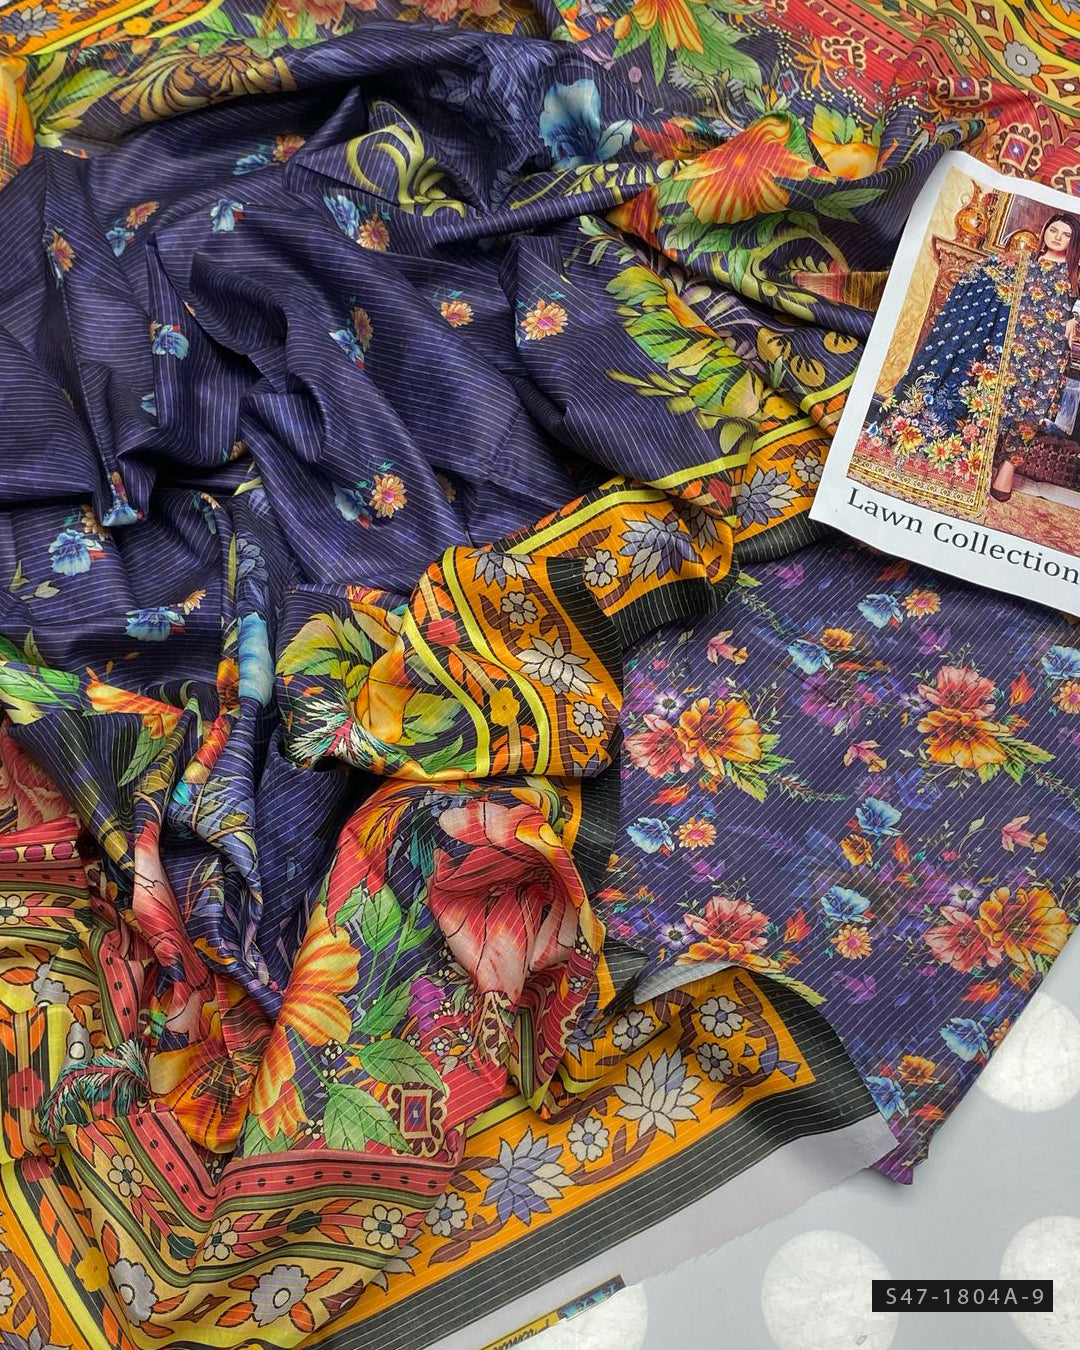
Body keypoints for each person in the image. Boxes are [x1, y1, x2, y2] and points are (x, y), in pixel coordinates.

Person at [989, 213, 1080, 501]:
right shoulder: (1027, 261)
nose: (1058, 237)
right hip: (1016, 345)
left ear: (1074, 241)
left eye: (1066, 234)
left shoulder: (1075, 272)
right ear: (1044, 232)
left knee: (1031, 413)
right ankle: (981, 460)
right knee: (999, 401)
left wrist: (1075, 317)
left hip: (1050, 354)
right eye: (1053, 231)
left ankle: (1007, 469)